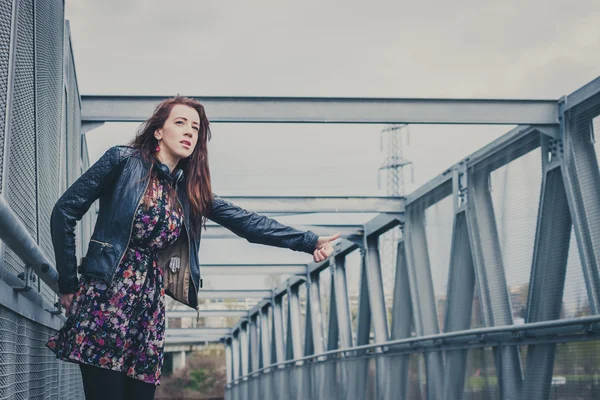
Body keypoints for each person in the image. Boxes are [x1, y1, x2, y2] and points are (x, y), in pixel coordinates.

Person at [45, 96, 340, 400]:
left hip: (148, 308)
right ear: (159, 130)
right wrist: (69, 283)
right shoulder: (123, 161)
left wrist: (309, 241)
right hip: (107, 298)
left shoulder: (188, 190)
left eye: (196, 128)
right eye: (180, 122)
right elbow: (65, 211)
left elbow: (248, 223)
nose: (189, 132)